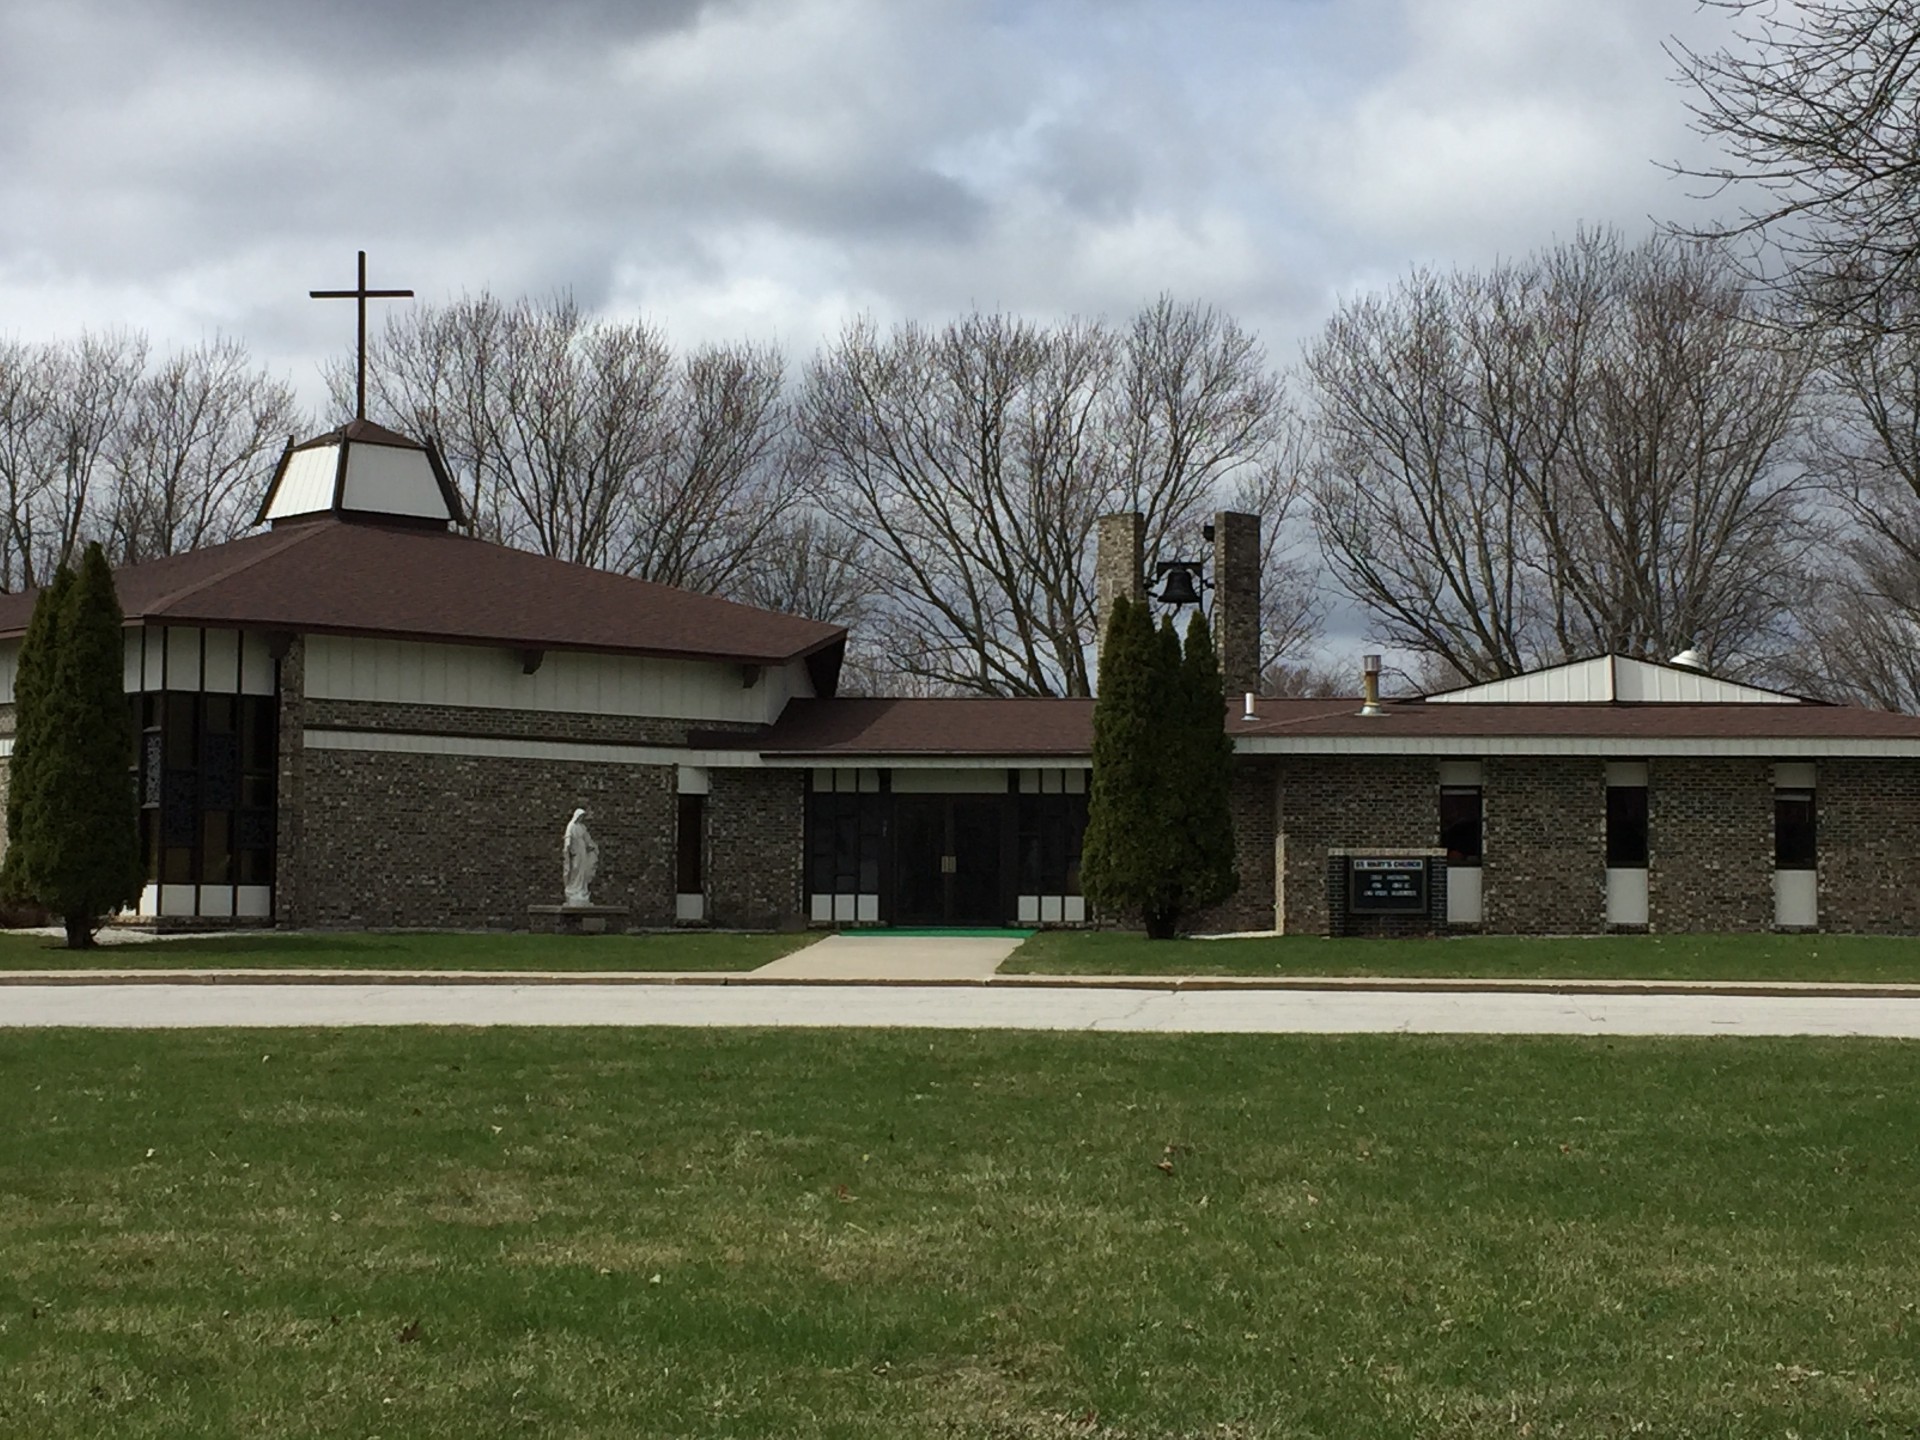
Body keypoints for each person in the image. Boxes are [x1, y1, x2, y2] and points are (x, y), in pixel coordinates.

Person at [562, 807, 599, 906]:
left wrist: (591, 846)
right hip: (575, 851)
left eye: (583, 817)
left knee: (583, 869)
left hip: (583, 851)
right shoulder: (571, 826)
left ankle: (581, 890)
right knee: (575, 869)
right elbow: (568, 838)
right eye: (581, 816)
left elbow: (587, 838)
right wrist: (569, 848)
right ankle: (573, 889)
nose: (581, 818)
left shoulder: (582, 827)